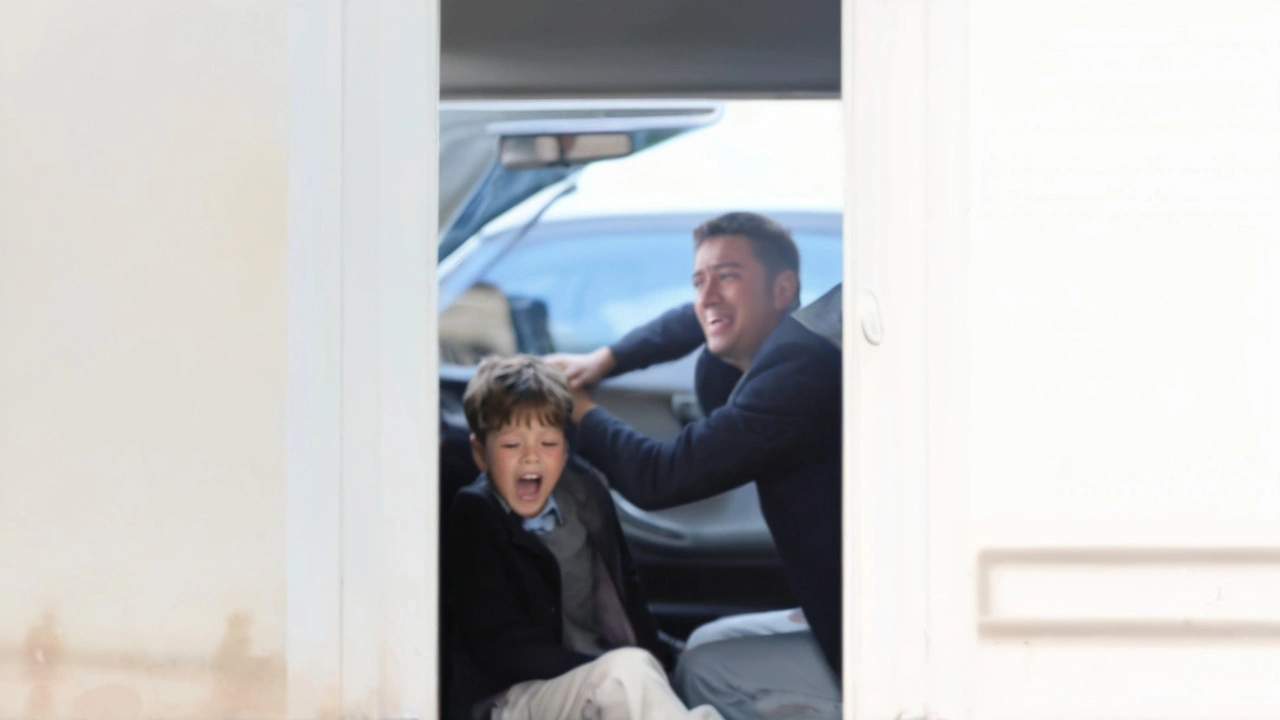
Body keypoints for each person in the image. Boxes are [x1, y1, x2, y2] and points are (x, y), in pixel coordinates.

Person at [548, 212, 842, 720]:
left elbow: (660, 476)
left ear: (783, 287)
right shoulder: (801, 333)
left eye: (727, 275)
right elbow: (700, 316)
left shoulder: (797, 372)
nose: (707, 295)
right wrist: (608, 358)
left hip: (870, 648)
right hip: (841, 603)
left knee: (707, 671)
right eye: (698, 280)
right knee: (707, 642)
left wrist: (580, 410)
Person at [444, 354, 725, 720]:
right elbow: (503, 646)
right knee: (627, 675)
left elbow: (629, 595)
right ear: (481, 453)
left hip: (593, 678)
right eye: (512, 445)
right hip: (511, 696)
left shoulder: (583, 493)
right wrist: (605, 666)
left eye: (548, 443)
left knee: (697, 659)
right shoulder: (476, 516)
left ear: (565, 450)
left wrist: (660, 660)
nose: (531, 458)